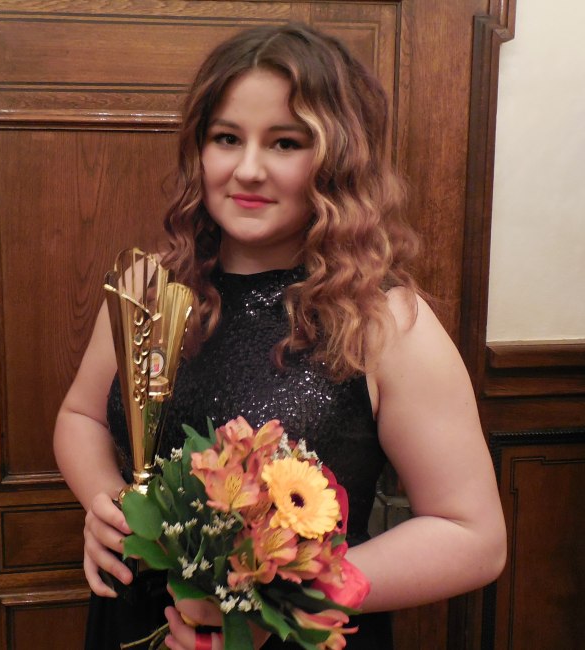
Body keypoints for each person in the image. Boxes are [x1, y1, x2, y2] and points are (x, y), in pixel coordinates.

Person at [54, 23, 506, 650]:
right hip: (131, 624)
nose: (248, 169)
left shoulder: (382, 323)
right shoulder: (151, 286)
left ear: (337, 160)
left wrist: (271, 598)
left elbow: (473, 537)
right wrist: (107, 505)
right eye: (227, 138)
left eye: (285, 142)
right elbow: (80, 416)